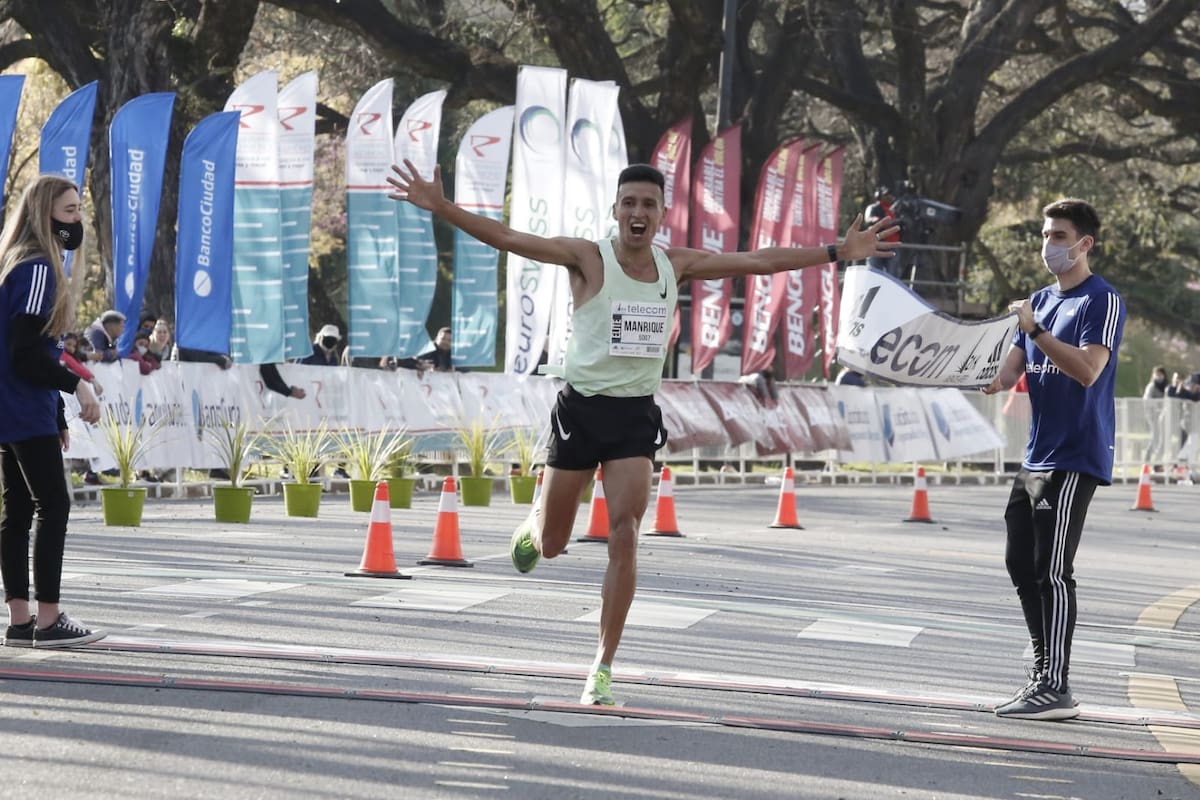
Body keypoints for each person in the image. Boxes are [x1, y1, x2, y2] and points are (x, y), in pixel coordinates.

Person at [389, 159, 897, 705]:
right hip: (581, 412)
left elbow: (757, 261)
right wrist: (442, 207)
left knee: (626, 534)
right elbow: (510, 238)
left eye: (648, 204)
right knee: (554, 545)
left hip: (634, 417)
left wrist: (837, 252)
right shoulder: (588, 258)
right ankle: (536, 522)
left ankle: (602, 668)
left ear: (661, 214)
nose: (638, 212)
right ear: (615, 210)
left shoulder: (675, 265)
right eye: (629, 202)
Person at [982, 198, 1125, 720]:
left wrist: (1038, 330)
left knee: (1053, 570)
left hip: (1074, 453)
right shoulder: (1039, 301)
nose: (1049, 245)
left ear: (1085, 244)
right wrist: (970, 368)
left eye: (1059, 236)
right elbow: (1006, 374)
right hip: (1036, 454)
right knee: (1020, 561)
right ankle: (1043, 671)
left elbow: (1088, 370)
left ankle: (1056, 685)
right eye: (1045, 235)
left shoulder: (1101, 300)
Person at [0, 174, 105, 647]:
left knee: (19, 509)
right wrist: (76, 385)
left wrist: (57, 412)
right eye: (70, 210)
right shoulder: (39, 267)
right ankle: (48, 619)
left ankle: (20, 621)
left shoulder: (17, 261)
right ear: (46, 216)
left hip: (17, 405)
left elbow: (29, 349)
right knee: (53, 505)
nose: (78, 218)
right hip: (21, 404)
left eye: (80, 208)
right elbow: (24, 353)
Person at [864, 186, 902, 278]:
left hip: (892, 246)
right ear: (879, 196)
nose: (889, 197)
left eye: (891, 195)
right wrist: (881, 222)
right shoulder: (874, 207)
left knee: (892, 276)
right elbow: (869, 219)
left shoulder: (896, 209)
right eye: (886, 195)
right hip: (876, 245)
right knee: (873, 273)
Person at [59, 332, 103, 397]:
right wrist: (92, 380)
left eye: (74, 346)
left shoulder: (72, 355)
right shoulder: (60, 350)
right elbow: (75, 366)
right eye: (68, 344)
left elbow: (79, 365)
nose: (71, 348)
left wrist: (92, 379)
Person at [1142, 365, 1168, 467]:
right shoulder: (1151, 386)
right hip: (1153, 416)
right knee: (1156, 436)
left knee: (1163, 438)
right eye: (1156, 374)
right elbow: (1147, 399)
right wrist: (1157, 405)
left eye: (1160, 374)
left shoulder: (1166, 386)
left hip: (1164, 416)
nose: (1158, 376)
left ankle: (1158, 462)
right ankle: (1147, 460)